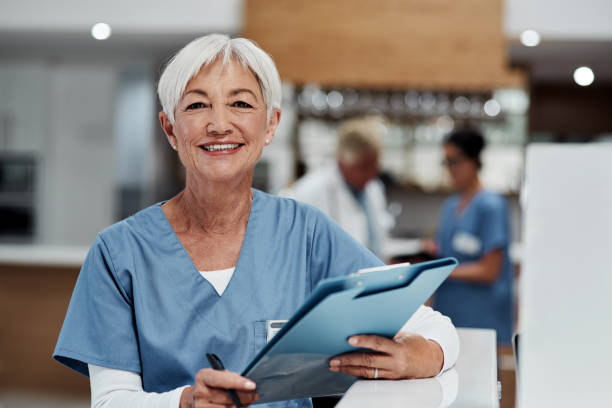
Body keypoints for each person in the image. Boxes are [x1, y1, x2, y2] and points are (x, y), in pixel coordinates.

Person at [53, 34, 459, 408]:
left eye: (241, 103)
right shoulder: (118, 253)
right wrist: (185, 402)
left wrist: (420, 355)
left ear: (270, 126)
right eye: (196, 104)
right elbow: (110, 401)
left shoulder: (306, 233)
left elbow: (434, 326)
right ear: (170, 129)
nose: (219, 123)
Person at [425, 129, 513, 345]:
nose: (450, 169)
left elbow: (490, 270)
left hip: (481, 316)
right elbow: (450, 251)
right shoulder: (451, 206)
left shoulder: (490, 206)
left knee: (480, 375)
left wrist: (441, 272)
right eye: (446, 162)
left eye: (455, 161)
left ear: (473, 161)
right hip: (449, 314)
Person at [282, 117, 393, 260]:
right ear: (344, 161)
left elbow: (380, 242)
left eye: (375, 167)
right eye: (365, 167)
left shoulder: (374, 188)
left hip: (375, 276)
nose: (372, 174)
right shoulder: (309, 191)